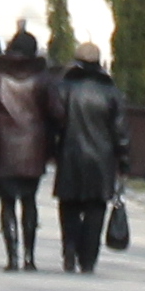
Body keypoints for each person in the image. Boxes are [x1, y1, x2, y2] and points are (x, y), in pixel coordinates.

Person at [0, 25, 58, 272]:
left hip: (2, 147)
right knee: (29, 201)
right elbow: (56, 111)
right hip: (33, 149)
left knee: (6, 203)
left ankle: (12, 257)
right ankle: (29, 257)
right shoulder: (42, 77)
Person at [50, 36, 128, 274]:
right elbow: (121, 132)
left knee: (69, 207)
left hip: (70, 155)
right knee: (96, 209)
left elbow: (56, 124)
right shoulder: (112, 92)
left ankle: (70, 251)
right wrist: (123, 162)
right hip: (101, 160)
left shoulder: (64, 88)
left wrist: (53, 151)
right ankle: (89, 259)